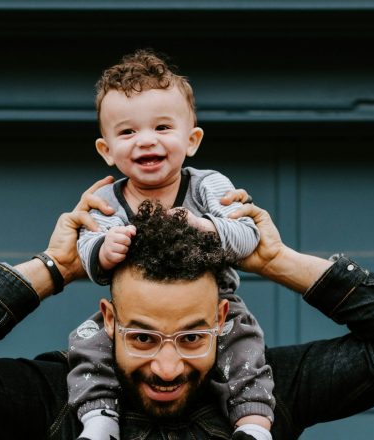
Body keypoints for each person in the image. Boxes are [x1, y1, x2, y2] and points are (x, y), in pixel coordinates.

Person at [0, 176, 374, 440]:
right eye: (144, 338)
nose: (169, 368)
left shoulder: (272, 391)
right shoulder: (57, 400)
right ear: (108, 322)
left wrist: (277, 261)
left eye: (194, 337)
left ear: (224, 321)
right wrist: (54, 270)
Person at [71, 49, 272, 440]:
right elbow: (87, 251)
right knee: (87, 343)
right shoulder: (107, 200)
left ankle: (253, 423)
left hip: (213, 305)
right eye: (128, 132)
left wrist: (207, 227)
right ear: (107, 150)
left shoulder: (209, 185)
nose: (146, 141)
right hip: (134, 315)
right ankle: (99, 419)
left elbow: (248, 236)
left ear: (192, 140)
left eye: (162, 128)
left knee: (245, 346)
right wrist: (102, 248)